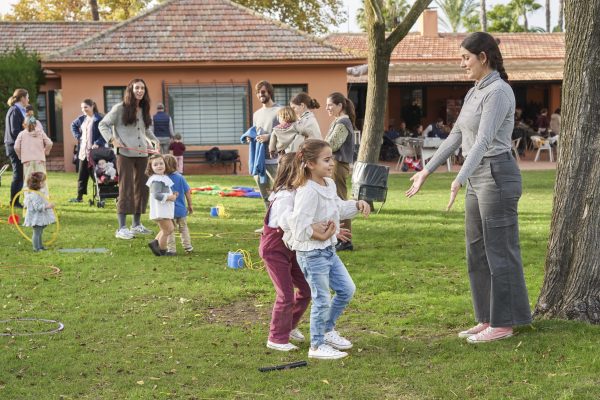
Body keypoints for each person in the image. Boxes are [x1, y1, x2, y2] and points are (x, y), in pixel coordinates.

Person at [406, 32, 532, 343]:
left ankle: (504, 323)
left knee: (499, 250)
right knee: (476, 250)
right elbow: (457, 137)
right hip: (478, 176)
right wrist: (426, 171)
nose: (462, 64)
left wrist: (459, 178)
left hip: (497, 173)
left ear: (483, 57)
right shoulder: (474, 92)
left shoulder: (499, 92)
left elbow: (485, 140)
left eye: (466, 58)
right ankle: (486, 317)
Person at [284, 139, 370, 360]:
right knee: (321, 298)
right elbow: (298, 225)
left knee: (346, 290)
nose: (332, 163)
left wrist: (356, 205)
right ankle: (317, 345)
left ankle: (327, 329)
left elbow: (337, 208)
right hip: (312, 254)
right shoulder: (307, 191)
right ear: (311, 164)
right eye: (327, 159)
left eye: (331, 158)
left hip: (329, 251)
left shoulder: (328, 185)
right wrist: (319, 234)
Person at [259, 153, 311, 352]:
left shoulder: (296, 193)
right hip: (275, 250)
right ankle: (277, 338)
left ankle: (288, 326)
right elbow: (285, 222)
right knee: (286, 295)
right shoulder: (285, 197)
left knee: (306, 289)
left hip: (290, 248)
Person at [99, 78, 160, 240]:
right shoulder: (119, 108)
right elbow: (103, 124)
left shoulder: (144, 109)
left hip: (142, 154)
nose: (140, 91)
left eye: (142, 88)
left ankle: (136, 224)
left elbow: (145, 130)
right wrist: (112, 140)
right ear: (131, 90)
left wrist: (155, 140)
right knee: (126, 189)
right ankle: (121, 228)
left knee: (142, 188)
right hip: (124, 154)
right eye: (137, 88)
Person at [324, 92, 356, 252]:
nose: (327, 108)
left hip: (338, 165)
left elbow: (332, 145)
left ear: (340, 106)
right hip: (335, 165)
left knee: (340, 202)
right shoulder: (338, 121)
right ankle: (339, 237)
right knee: (335, 201)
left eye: (330, 105)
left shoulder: (343, 122)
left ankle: (346, 240)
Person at [248, 80, 281, 210]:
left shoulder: (280, 110)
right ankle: (269, 225)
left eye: (263, 92)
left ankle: (283, 225)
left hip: (275, 160)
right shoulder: (256, 114)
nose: (260, 95)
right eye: (258, 93)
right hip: (259, 160)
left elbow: (286, 131)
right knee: (265, 195)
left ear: (270, 92)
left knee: (281, 193)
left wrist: (269, 137)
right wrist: (251, 138)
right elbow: (256, 131)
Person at [70, 99, 106, 203]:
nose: (83, 109)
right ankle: (79, 197)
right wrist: (78, 136)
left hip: (95, 153)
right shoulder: (82, 119)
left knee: (97, 175)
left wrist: (98, 143)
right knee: (82, 175)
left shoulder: (100, 118)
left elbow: (105, 133)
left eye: (85, 107)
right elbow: (73, 125)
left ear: (92, 106)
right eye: (82, 108)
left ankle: (102, 195)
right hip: (83, 153)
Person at [145, 154, 177, 256]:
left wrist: (173, 195)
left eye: (161, 163)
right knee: (168, 230)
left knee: (168, 229)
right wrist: (169, 198)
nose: (159, 166)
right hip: (160, 210)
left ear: (165, 164)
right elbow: (156, 195)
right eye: (155, 165)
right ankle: (162, 250)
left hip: (164, 209)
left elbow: (166, 191)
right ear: (151, 167)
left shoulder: (162, 177)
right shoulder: (156, 180)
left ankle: (155, 243)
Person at [164, 154, 193, 255]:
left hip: (168, 210)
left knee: (169, 230)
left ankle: (171, 249)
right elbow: (187, 192)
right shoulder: (180, 177)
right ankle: (188, 247)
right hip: (181, 209)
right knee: (183, 228)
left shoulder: (162, 179)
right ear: (175, 165)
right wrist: (190, 205)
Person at [4, 88, 28, 208]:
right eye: (27, 97)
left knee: (20, 174)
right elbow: (15, 131)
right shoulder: (14, 111)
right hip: (14, 147)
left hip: (19, 146)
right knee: (18, 174)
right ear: (22, 98)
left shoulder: (22, 110)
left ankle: (17, 200)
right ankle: (14, 202)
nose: (28, 100)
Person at [14, 109, 53, 182]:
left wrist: (20, 156)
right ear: (35, 124)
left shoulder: (21, 134)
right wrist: (45, 152)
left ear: (24, 125)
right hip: (39, 160)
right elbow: (49, 143)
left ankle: (29, 193)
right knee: (41, 181)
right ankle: (42, 193)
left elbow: (16, 147)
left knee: (28, 181)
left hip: (27, 161)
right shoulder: (41, 132)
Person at [23, 172, 55, 252]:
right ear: (38, 183)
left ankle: (40, 246)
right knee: (37, 232)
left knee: (39, 232)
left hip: (39, 217)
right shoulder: (34, 195)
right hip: (35, 218)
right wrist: (48, 206)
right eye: (43, 181)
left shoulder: (39, 192)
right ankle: (36, 248)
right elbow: (38, 207)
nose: (44, 183)